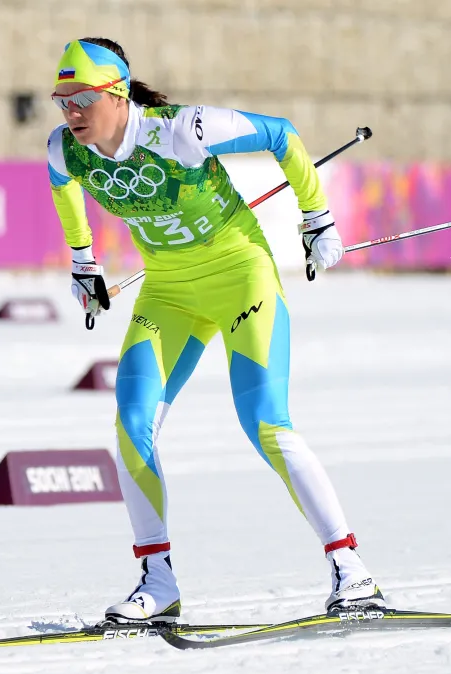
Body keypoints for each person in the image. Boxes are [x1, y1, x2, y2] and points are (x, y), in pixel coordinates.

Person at [47, 37, 384, 624]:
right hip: (169, 292)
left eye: (81, 99)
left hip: (241, 280)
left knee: (265, 423)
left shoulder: (181, 130)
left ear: (117, 93)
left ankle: (350, 568)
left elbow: (280, 134)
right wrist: (83, 261)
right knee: (131, 424)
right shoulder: (63, 151)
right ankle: (158, 581)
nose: (70, 112)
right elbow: (66, 193)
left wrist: (318, 218)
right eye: (62, 100)